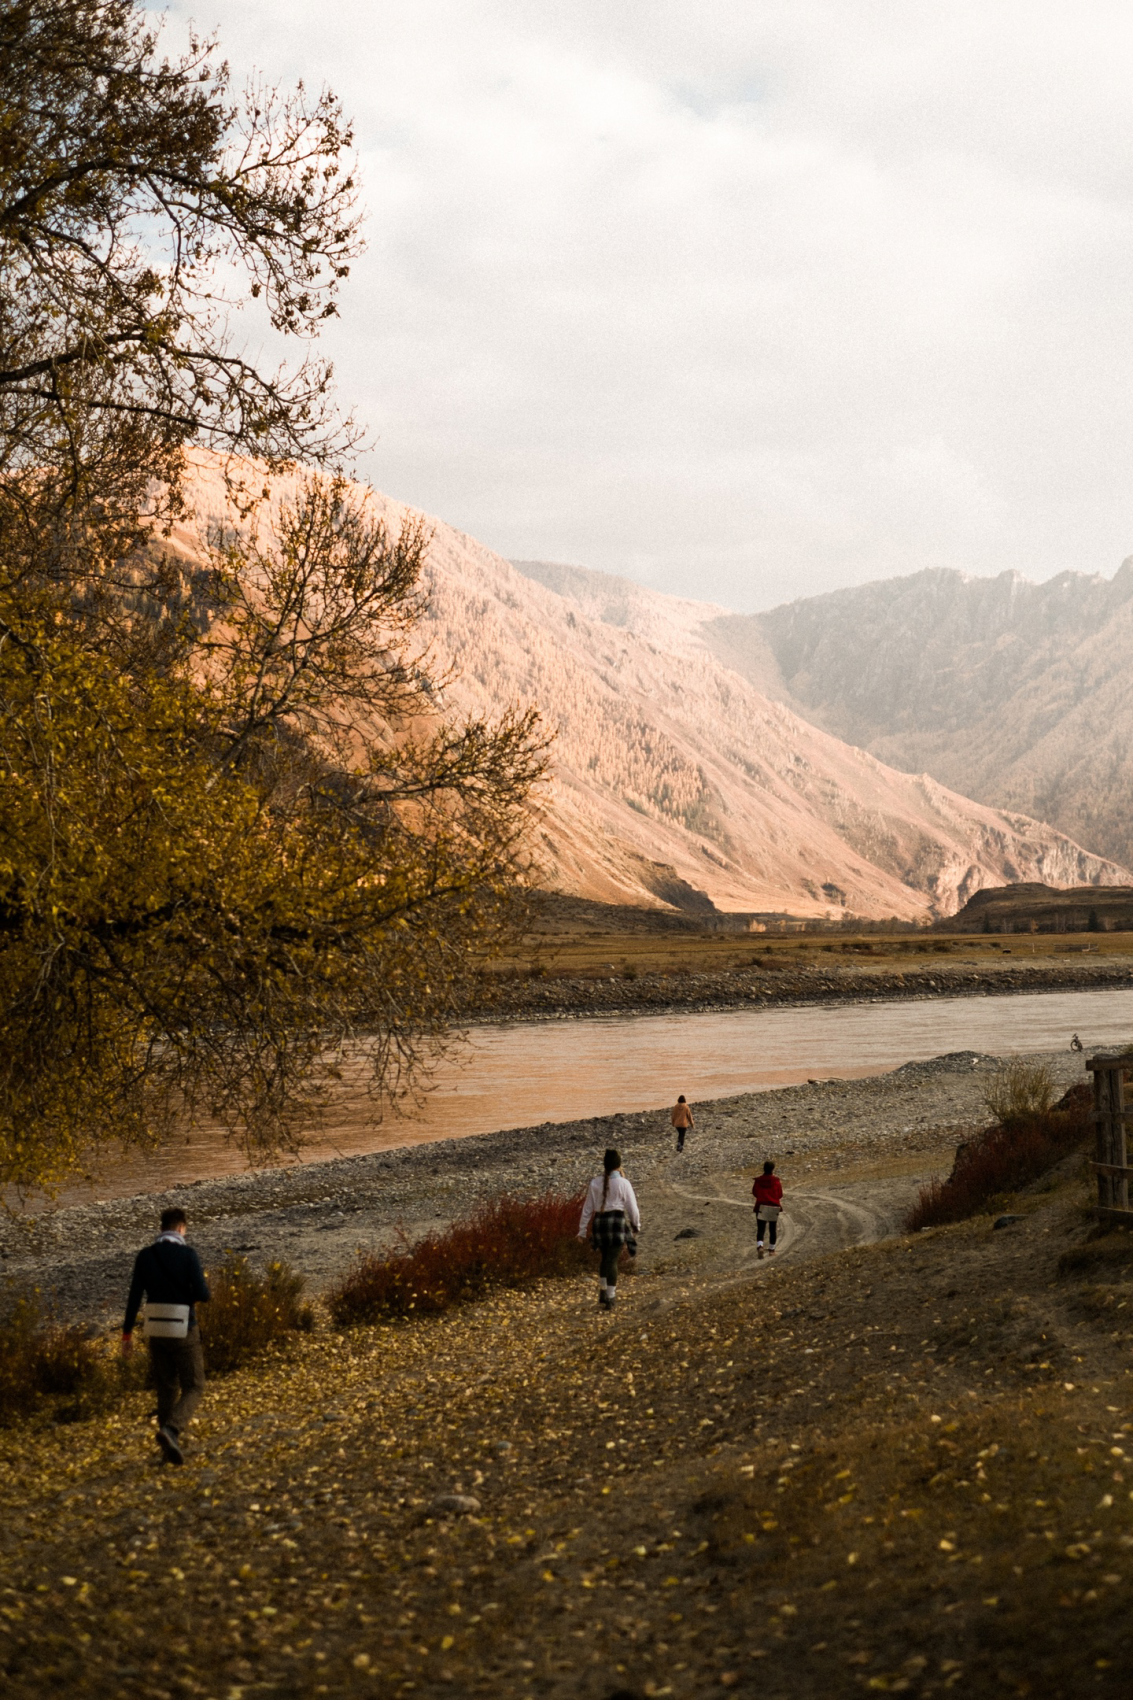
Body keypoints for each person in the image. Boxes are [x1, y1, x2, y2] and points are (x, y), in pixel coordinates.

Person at [122, 1207, 210, 1465]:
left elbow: (134, 1297)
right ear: (181, 1228)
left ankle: (166, 1450)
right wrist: (188, 1296)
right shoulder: (188, 1255)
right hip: (183, 1328)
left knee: (166, 1387)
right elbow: (204, 1294)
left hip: (155, 1329)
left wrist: (127, 1335)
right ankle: (171, 1430)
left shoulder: (145, 1257)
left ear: (162, 1228)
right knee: (195, 1385)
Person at [579, 1148, 641, 1310]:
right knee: (612, 1260)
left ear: (604, 1165)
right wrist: (636, 1225)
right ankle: (610, 1297)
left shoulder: (595, 1183)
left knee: (605, 1258)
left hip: (599, 1223)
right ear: (619, 1165)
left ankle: (602, 1291)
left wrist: (582, 1230)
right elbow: (632, 1208)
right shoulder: (624, 1183)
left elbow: (587, 1208)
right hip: (616, 1224)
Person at [752, 1160, 784, 1259]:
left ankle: (760, 1246)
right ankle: (771, 1250)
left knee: (761, 1229)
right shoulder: (776, 1181)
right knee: (772, 1229)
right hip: (773, 1206)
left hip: (761, 1206)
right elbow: (780, 1194)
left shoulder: (758, 1180)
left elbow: (755, 1192)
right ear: (772, 1169)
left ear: (764, 1168)